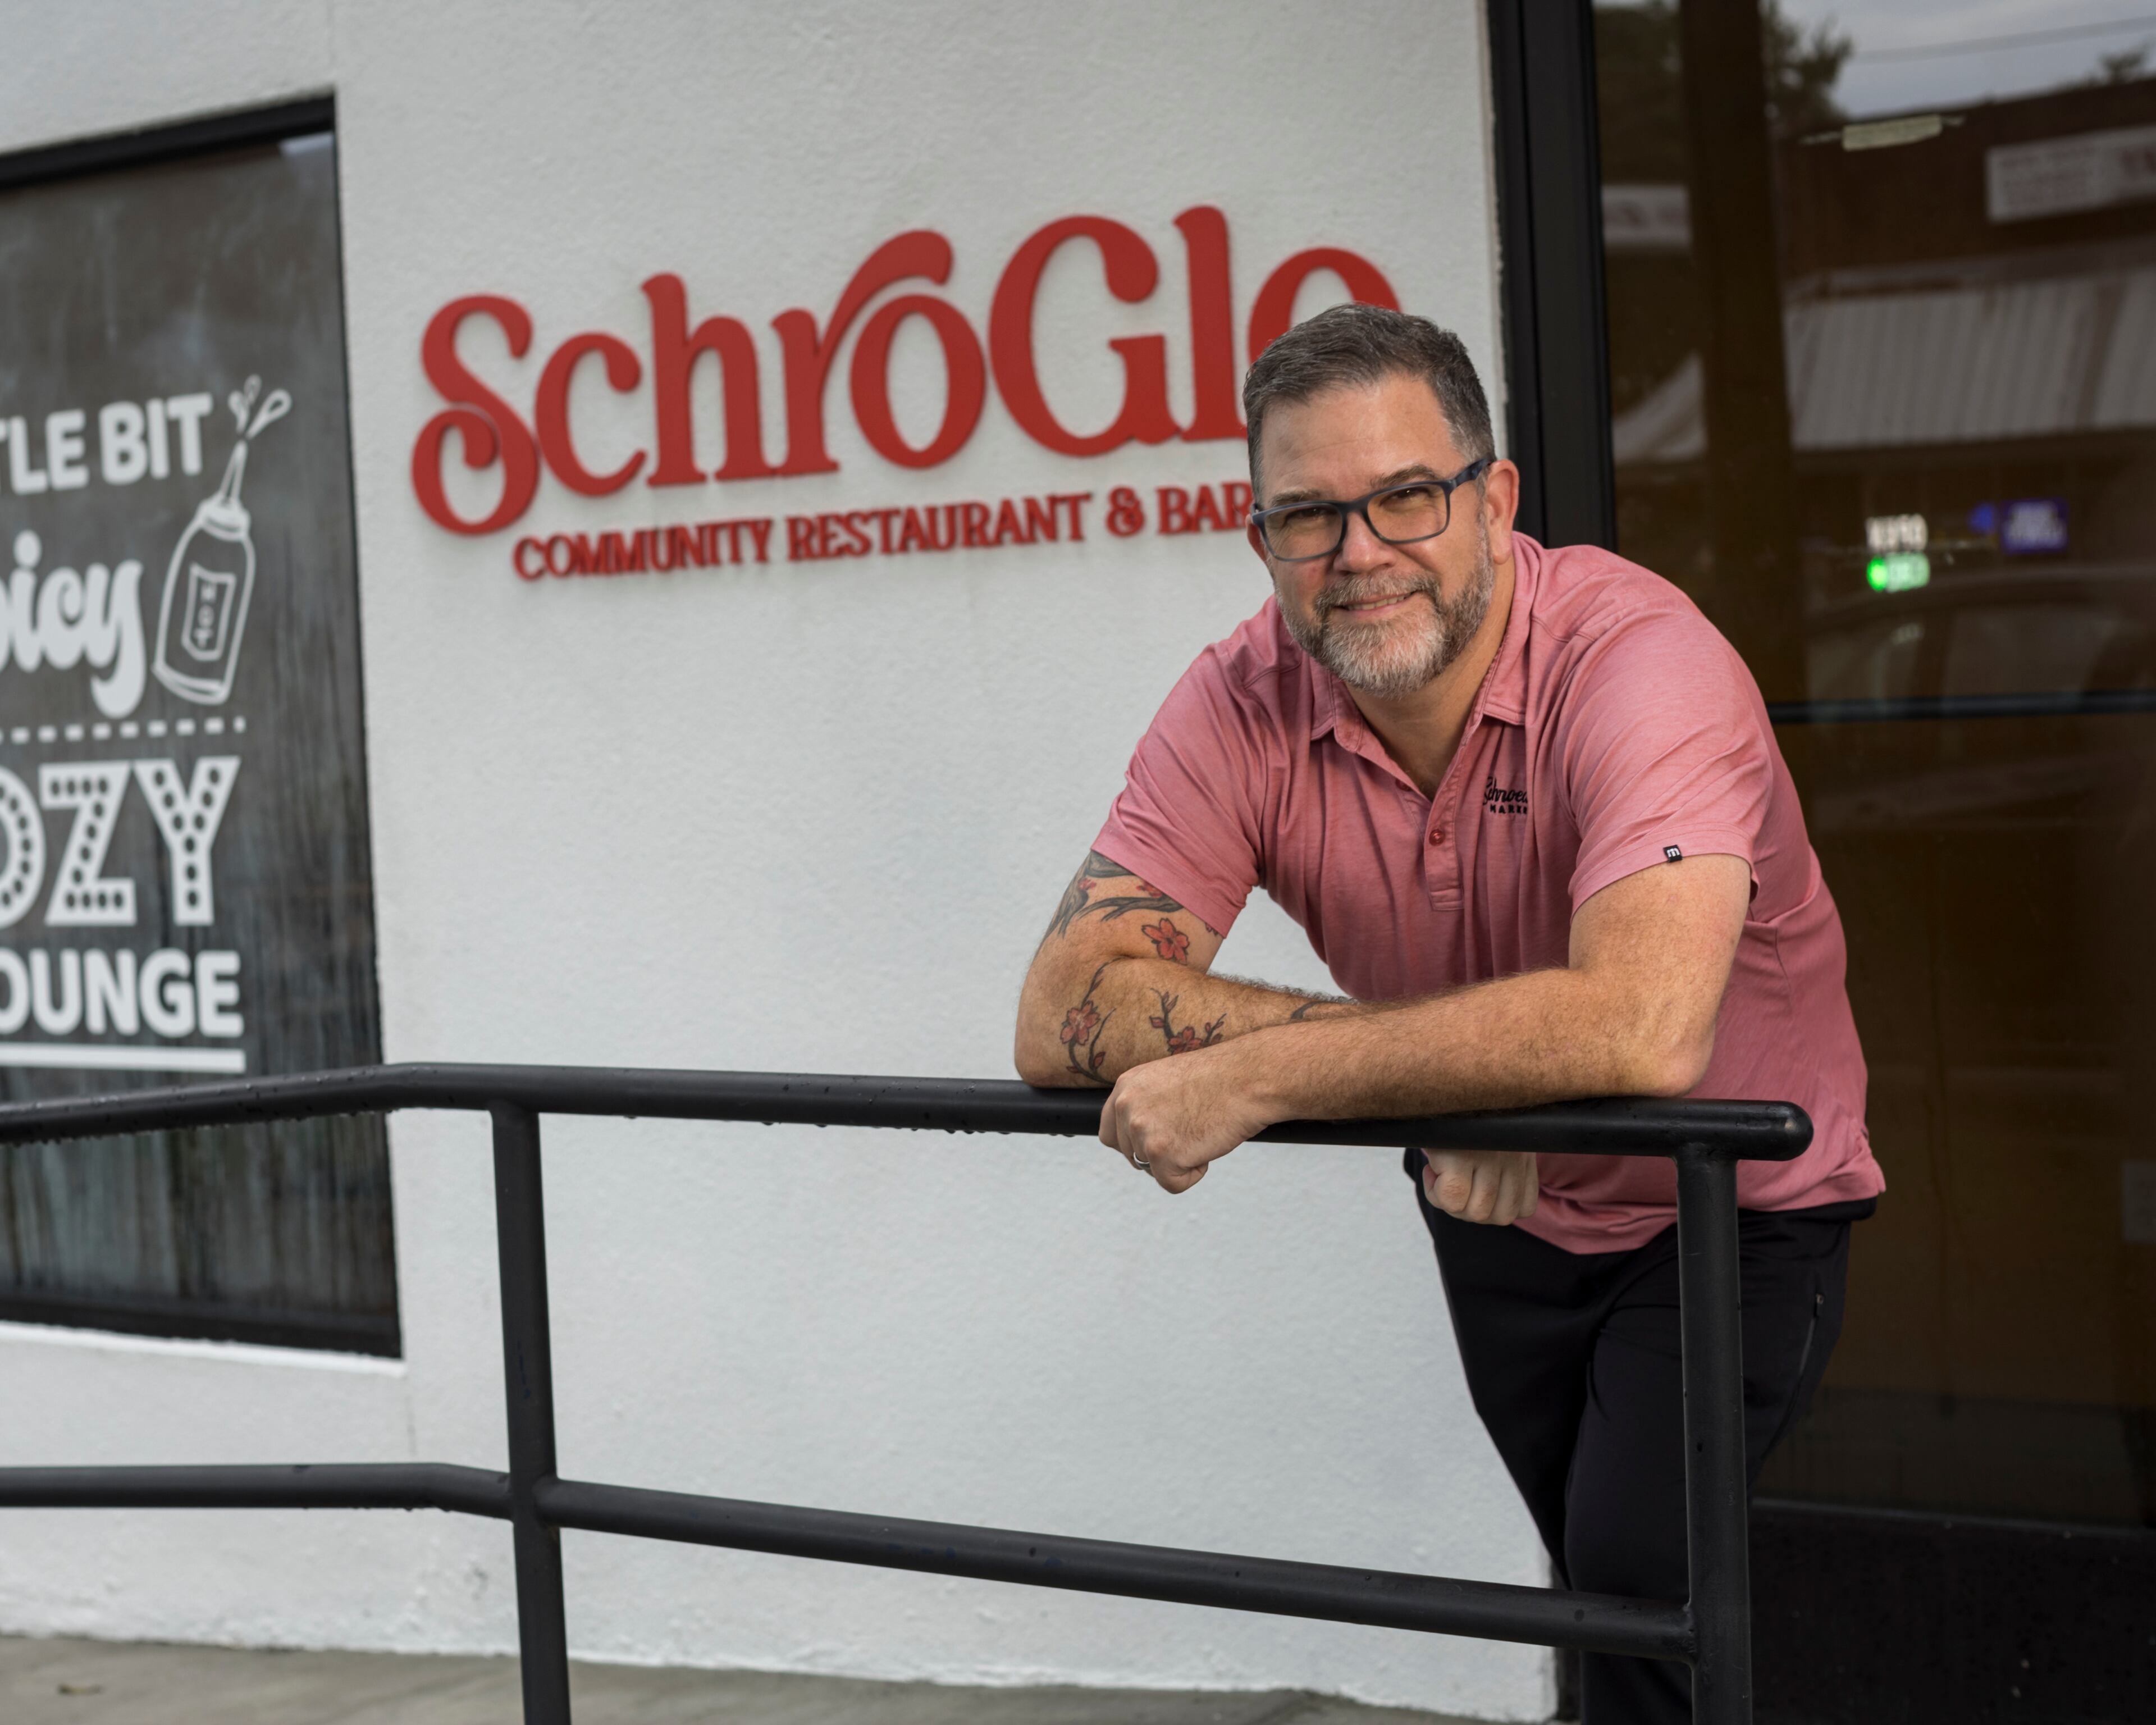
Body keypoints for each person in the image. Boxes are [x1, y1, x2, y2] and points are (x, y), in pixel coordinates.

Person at [1011, 303, 1881, 1723]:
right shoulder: (1241, 700)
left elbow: (1646, 1026)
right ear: (1260, 539)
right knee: (1599, 1596)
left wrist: (1262, 1078)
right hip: (1492, 1200)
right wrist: (1448, 1091)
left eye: (1407, 496)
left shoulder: (1639, 662)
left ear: (1494, 499)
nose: (1359, 553)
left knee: (1636, 1580)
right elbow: (1063, 1008)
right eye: (1308, 516)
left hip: (1728, 1205)